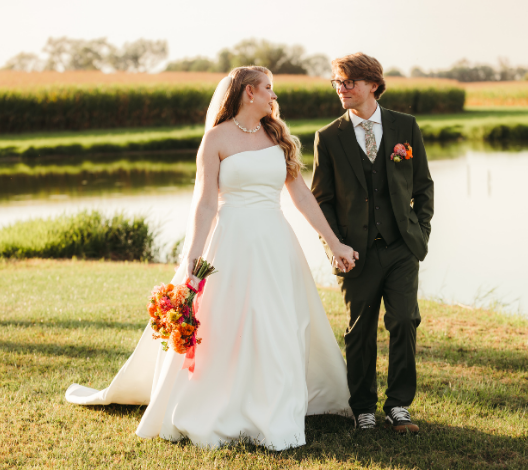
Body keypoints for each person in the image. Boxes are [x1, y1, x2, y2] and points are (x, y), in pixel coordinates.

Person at [66, 66, 357, 450]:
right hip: (230, 242)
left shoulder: (277, 135)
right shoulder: (215, 140)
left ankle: (275, 408)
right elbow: (204, 204)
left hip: (274, 242)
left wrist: (334, 243)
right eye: (268, 88)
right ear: (248, 93)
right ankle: (220, 404)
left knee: (276, 323)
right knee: (226, 324)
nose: (274, 95)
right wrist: (193, 254)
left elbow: (301, 196)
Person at [311, 53, 434, 433]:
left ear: (373, 85)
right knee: (359, 330)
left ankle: (398, 406)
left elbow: (423, 186)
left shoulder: (405, 126)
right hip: (355, 252)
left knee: (403, 321)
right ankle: (363, 406)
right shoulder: (329, 137)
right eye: (337, 82)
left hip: (401, 248)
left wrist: (420, 234)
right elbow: (321, 200)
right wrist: (334, 246)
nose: (341, 88)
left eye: (348, 81)